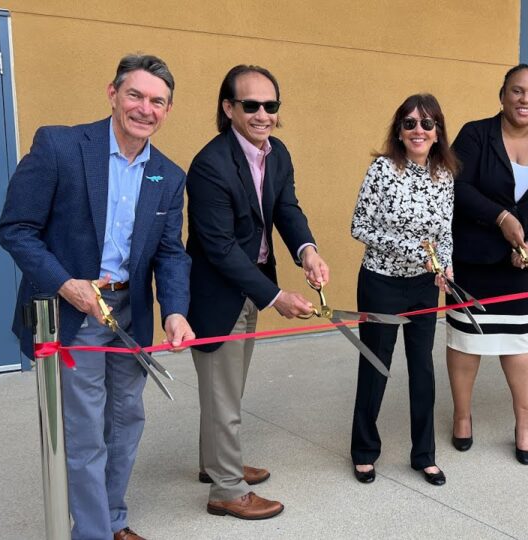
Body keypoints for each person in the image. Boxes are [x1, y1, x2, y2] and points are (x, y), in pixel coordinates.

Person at [0, 54, 194, 540]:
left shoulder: (167, 175)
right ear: (112, 93)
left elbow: (171, 253)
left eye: (157, 101)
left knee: (126, 421)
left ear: (168, 110)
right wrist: (66, 283)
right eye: (135, 95)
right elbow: (16, 229)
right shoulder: (60, 146)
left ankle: (111, 518)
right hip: (74, 311)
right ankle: (93, 532)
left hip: (129, 314)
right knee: (85, 431)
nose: (145, 109)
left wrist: (175, 311)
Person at [185, 64, 330, 520]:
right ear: (228, 108)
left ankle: (216, 464)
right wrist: (275, 296)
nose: (263, 114)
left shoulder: (277, 153)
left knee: (226, 389)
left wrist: (308, 251)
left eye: (271, 105)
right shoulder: (209, 166)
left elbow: (287, 208)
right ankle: (227, 490)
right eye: (251, 105)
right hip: (217, 293)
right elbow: (220, 248)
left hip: (252, 286)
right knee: (223, 395)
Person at [448, 64, 528, 465]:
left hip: (521, 266)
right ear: (502, 95)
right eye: (517, 91)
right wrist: (500, 217)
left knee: (520, 345)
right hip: (474, 262)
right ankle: (462, 417)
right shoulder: (475, 135)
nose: (525, 99)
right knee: (466, 343)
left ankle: (523, 426)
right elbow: (456, 185)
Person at [349, 94, 459, 486]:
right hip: (381, 282)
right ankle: (364, 451)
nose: (418, 130)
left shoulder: (444, 175)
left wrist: (445, 266)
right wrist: (414, 252)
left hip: (424, 286)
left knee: (422, 368)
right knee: (376, 365)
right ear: (399, 130)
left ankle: (424, 455)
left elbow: (445, 231)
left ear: (437, 132)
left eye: (427, 124)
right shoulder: (382, 169)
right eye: (410, 123)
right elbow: (359, 226)